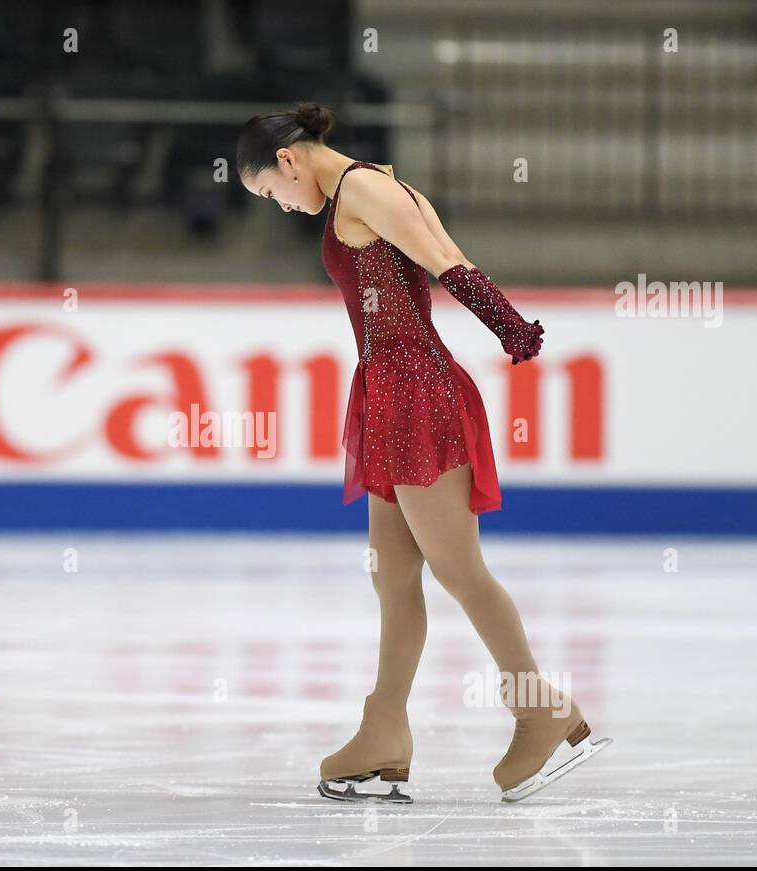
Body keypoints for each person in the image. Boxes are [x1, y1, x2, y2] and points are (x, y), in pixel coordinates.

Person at [237, 103, 611, 803]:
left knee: (460, 570)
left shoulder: (366, 191)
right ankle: (383, 732)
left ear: (287, 161)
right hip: (387, 395)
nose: (282, 207)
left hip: (417, 396)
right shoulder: (371, 186)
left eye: (269, 193)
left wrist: (510, 328)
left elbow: (447, 262)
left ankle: (540, 709)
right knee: (393, 575)